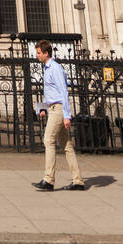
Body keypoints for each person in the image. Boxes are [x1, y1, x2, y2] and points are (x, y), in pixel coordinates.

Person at [33, 39, 86, 191]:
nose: (37, 56)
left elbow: (63, 91)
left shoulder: (55, 68)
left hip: (59, 109)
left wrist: (67, 115)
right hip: (52, 108)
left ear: (46, 53)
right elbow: (49, 92)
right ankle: (78, 181)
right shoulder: (47, 68)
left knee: (48, 140)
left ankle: (48, 179)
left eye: (38, 53)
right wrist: (42, 107)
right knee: (66, 145)